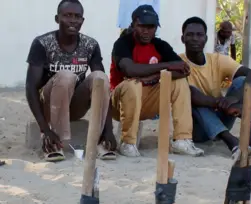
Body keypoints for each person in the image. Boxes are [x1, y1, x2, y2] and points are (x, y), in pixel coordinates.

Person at [25, 0, 117, 162]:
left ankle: (101, 139)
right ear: (57, 18)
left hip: (75, 106)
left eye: (77, 16)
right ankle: (55, 142)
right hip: (49, 105)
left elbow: (103, 87)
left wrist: (109, 129)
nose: (73, 20)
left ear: (82, 20)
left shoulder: (90, 45)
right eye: (67, 15)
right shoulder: (42, 44)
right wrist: (44, 128)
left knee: (100, 77)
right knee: (66, 76)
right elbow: (31, 88)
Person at [110, 5, 204, 157]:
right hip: (119, 103)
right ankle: (128, 143)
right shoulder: (123, 43)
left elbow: (183, 70)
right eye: (142, 26)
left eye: (151, 27)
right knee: (132, 84)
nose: (146, 31)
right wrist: (167, 65)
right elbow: (130, 70)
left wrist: (153, 77)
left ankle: (182, 140)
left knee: (179, 83)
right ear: (134, 24)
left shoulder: (160, 45)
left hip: (148, 101)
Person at [180, 17, 251, 157]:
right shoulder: (178, 62)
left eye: (199, 35)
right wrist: (225, 105)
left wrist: (233, 98)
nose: (195, 38)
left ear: (206, 38)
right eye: (190, 35)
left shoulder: (217, 60)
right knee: (192, 99)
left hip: (221, 118)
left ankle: (250, 140)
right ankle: (232, 142)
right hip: (197, 129)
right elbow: (192, 96)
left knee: (243, 81)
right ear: (183, 39)